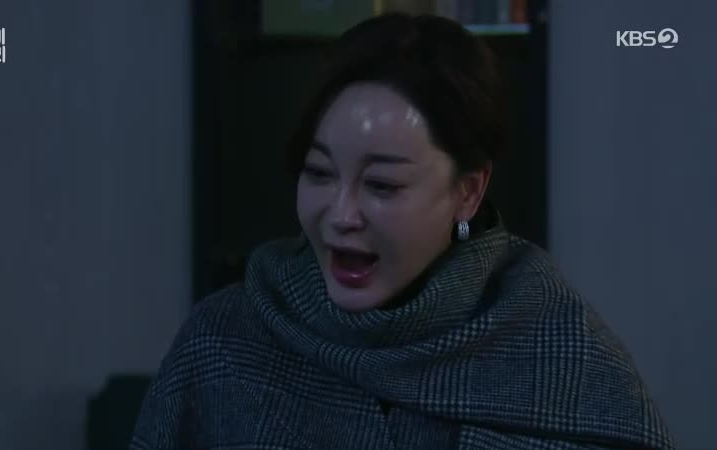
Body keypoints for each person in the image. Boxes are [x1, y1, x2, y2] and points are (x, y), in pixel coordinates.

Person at [130, 13, 674, 450]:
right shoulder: (225, 343)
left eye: (382, 185)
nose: (340, 215)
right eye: (319, 173)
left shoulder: (566, 358)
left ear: (468, 191)